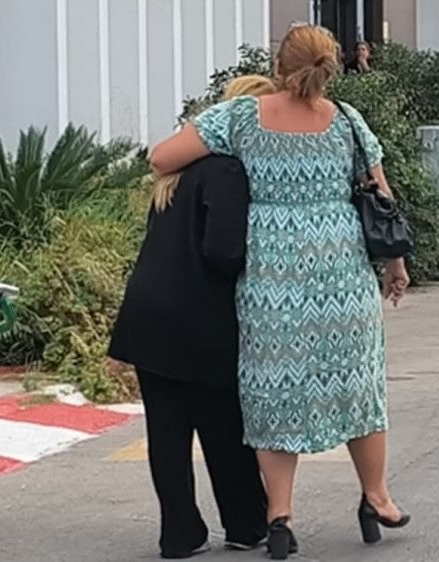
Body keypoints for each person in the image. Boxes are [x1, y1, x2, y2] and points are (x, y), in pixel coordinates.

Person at [148, 25, 410, 560]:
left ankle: (280, 515)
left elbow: (162, 157)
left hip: (271, 274)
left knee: (273, 387)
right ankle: (376, 497)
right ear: (332, 67)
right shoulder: (348, 121)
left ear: (278, 66)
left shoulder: (243, 117)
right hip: (342, 271)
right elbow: (380, 194)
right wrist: (396, 265)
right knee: (358, 383)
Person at [108, 75, 275, 559]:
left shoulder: (174, 175)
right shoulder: (228, 171)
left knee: (166, 432)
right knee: (223, 424)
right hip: (200, 316)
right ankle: (246, 523)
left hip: (147, 313)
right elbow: (223, 252)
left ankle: (179, 534)